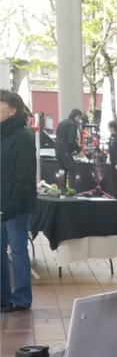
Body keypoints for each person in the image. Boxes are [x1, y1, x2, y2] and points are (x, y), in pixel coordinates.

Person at [1, 90, 37, 313]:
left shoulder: (22, 136)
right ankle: (3, 296)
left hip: (16, 205)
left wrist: (11, 206)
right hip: (1, 203)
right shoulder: (2, 135)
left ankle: (22, 297)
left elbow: (24, 176)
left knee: (18, 250)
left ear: (12, 110)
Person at [54, 107, 83, 191]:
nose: (79, 120)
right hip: (65, 149)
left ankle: (61, 188)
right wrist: (79, 150)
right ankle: (71, 189)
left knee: (62, 169)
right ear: (76, 116)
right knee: (72, 168)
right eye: (79, 118)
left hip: (57, 148)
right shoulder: (72, 124)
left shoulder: (62, 122)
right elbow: (71, 140)